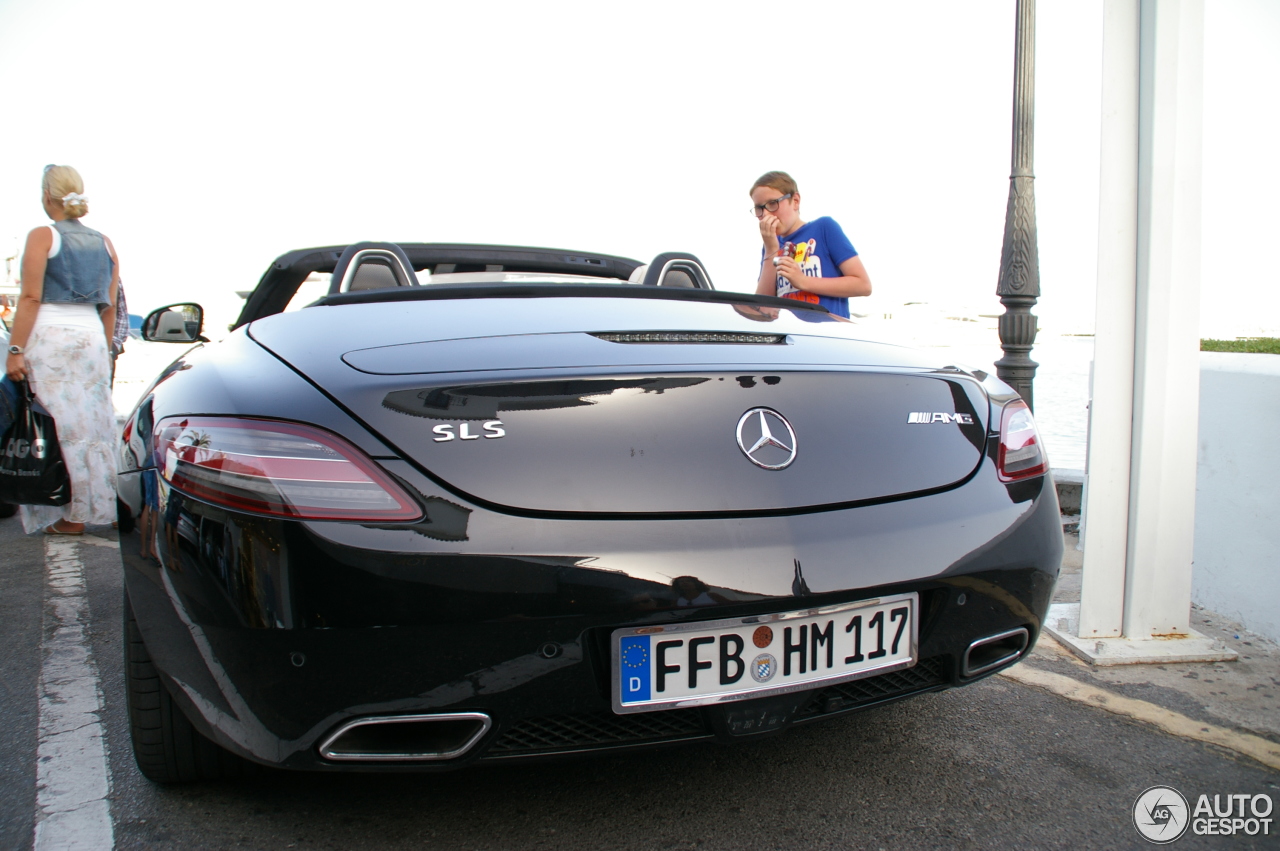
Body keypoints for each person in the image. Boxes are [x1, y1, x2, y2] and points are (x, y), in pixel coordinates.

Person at [3, 165, 119, 535]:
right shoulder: (105, 242)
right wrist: (102, 351)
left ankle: (57, 507)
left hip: (51, 338)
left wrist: (16, 349)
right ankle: (79, 515)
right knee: (90, 425)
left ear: (46, 196)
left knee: (52, 424)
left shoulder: (42, 236)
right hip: (90, 340)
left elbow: (32, 296)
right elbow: (110, 306)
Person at [751, 171, 871, 318]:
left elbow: (863, 285)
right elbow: (762, 308)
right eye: (759, 208)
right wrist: (771, 249)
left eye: (772, 204)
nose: (766, 215)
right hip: (791, 335)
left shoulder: (824, 227)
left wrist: (803, 281)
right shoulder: (771, 245)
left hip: (827, 334)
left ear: (795, 200)